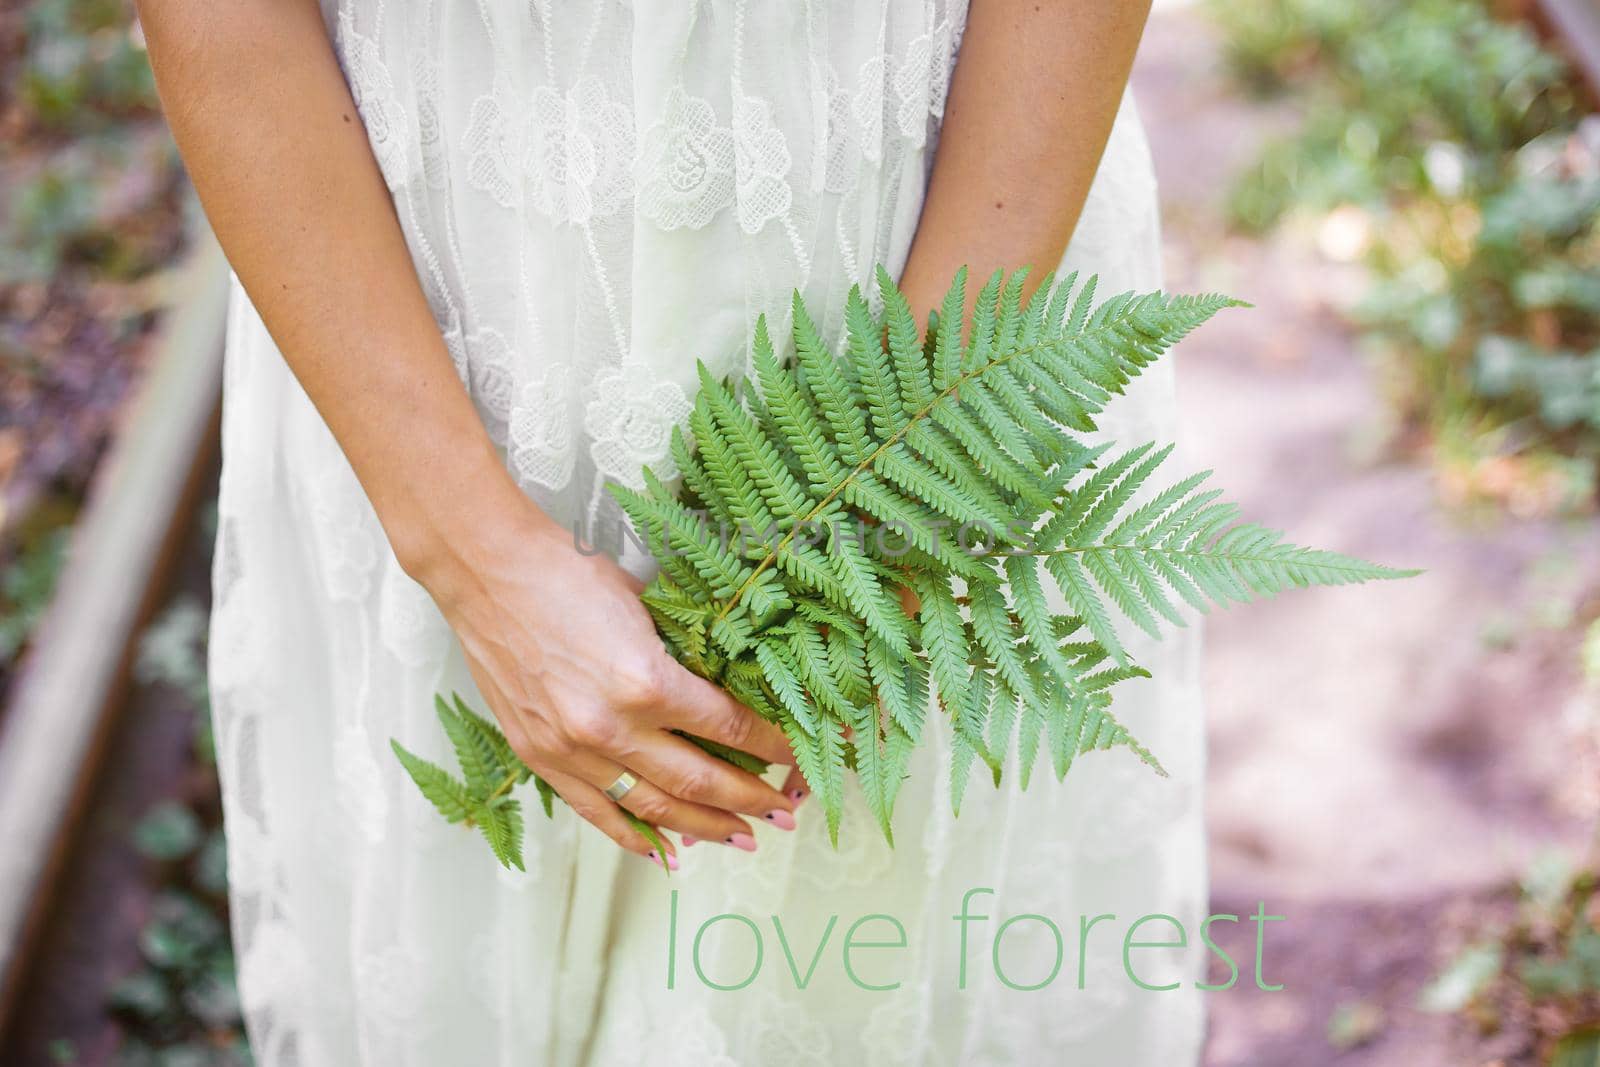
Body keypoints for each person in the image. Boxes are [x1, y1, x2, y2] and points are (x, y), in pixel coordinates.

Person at [139, 1, 1204, 1063]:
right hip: (414, 329)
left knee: (859, 967)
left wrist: (909, 461)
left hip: (944, 265)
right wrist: (471, 559)